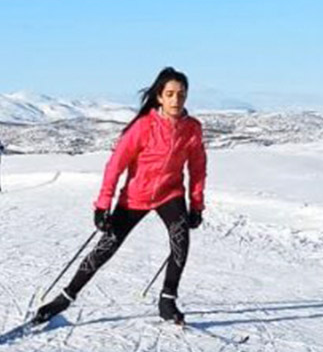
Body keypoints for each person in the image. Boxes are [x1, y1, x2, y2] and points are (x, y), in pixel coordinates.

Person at [34, 67, 206, 325]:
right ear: (159, 96)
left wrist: (196, 204)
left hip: (170, 194)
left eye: (181, 95)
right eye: (169, 94)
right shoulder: (144, 126)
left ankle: (167, 300)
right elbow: (116, 165)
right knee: (106, 247)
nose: (175, 100)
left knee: (180, 242)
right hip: (135, 196)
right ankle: (66, 297)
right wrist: (103, 205)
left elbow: (197, 167)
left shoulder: (192, 128)